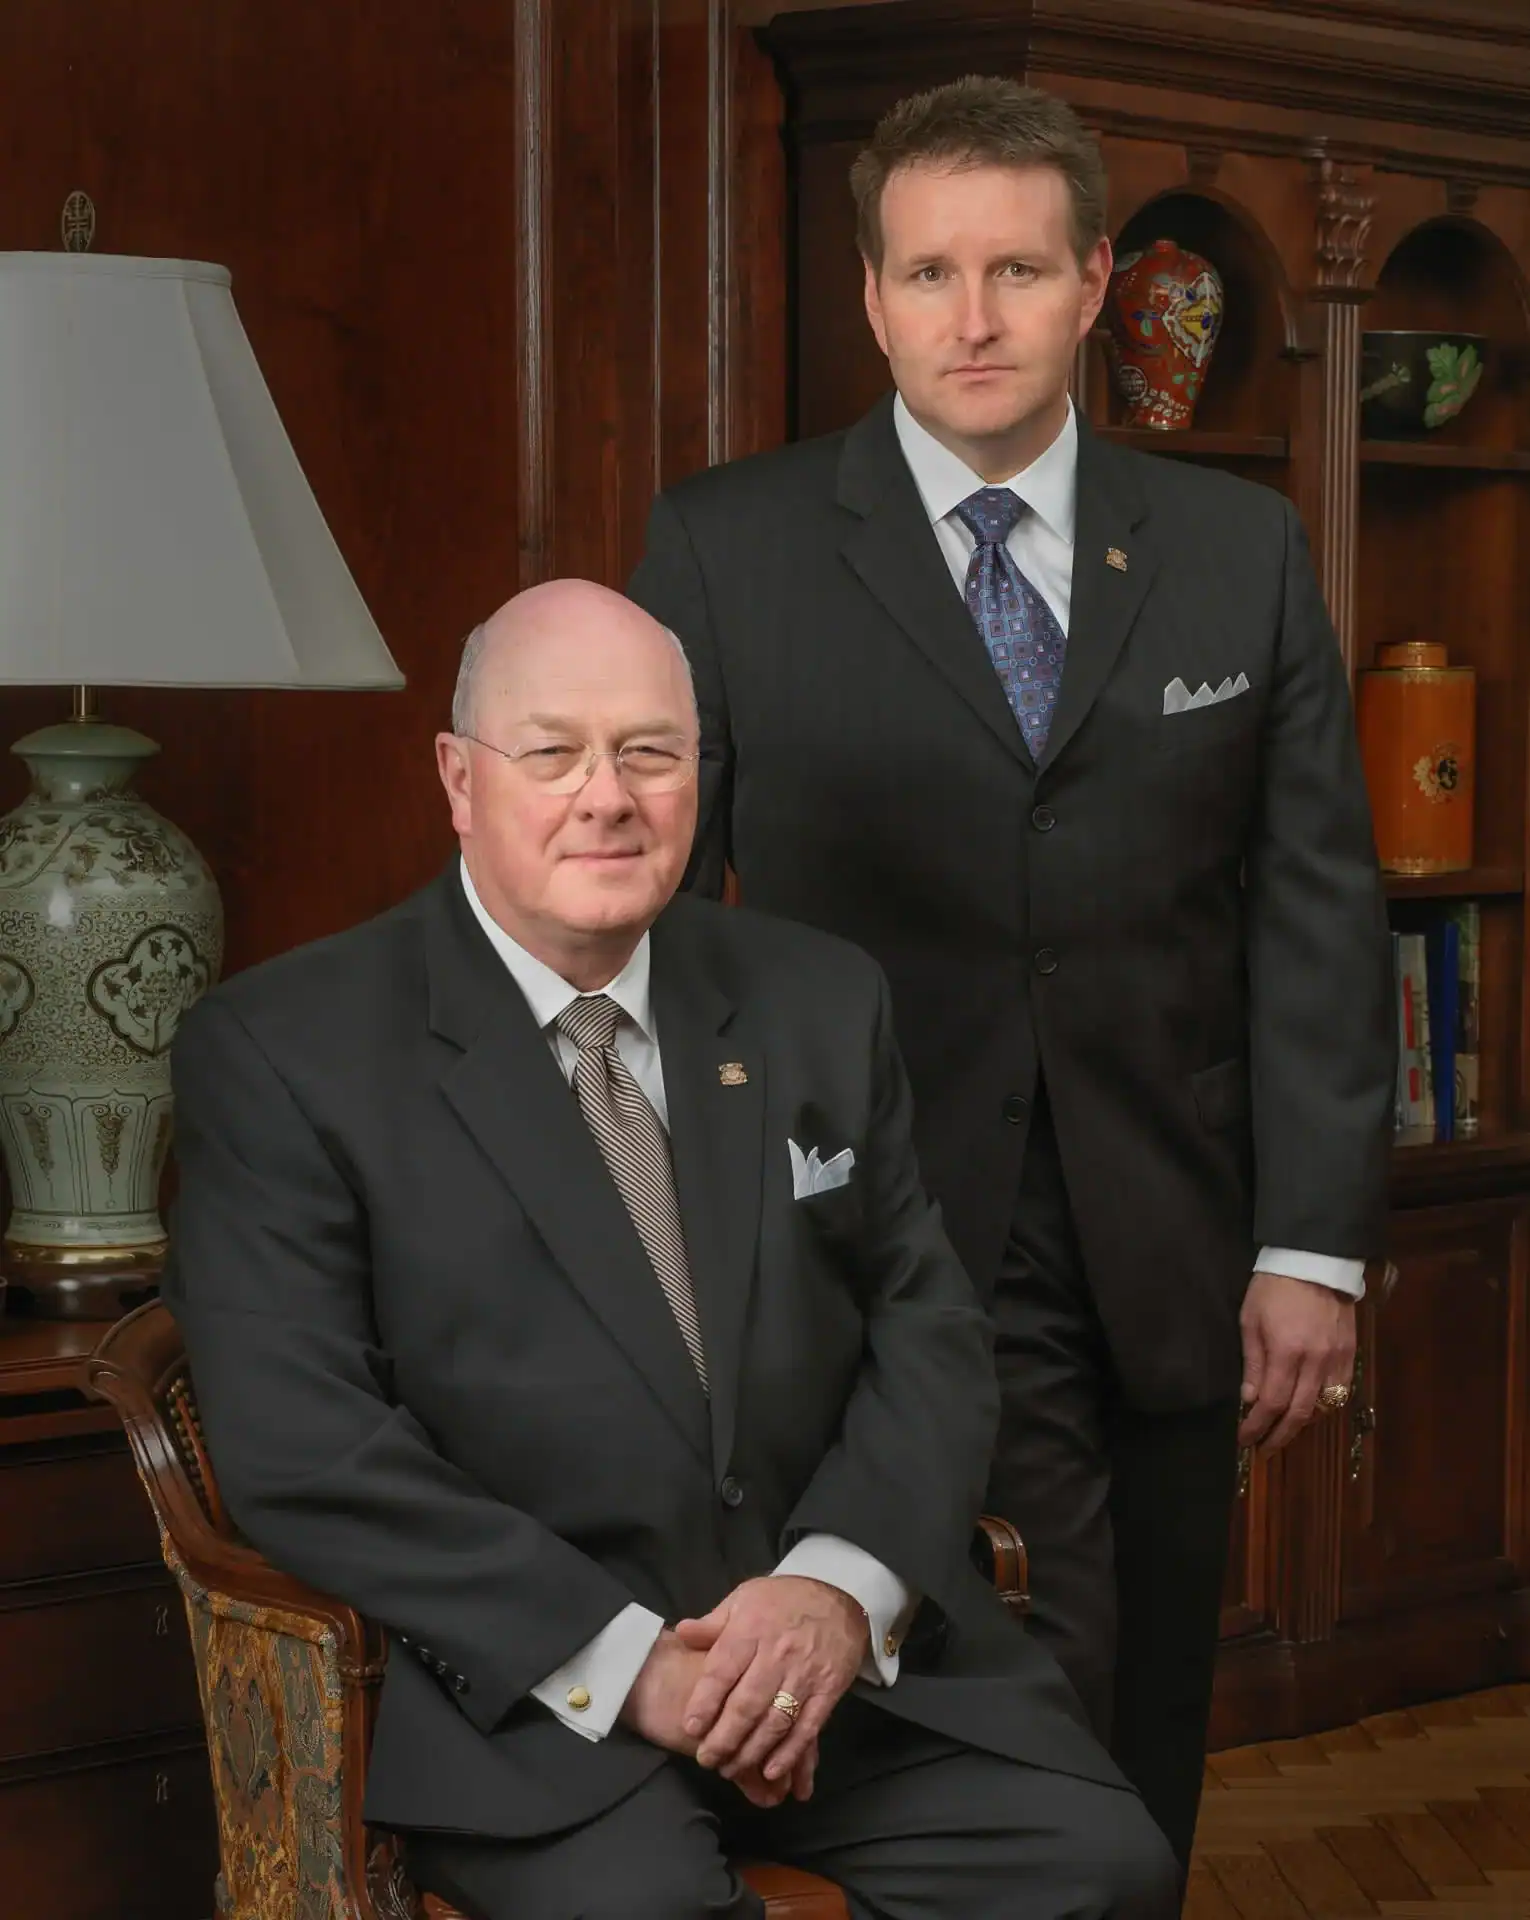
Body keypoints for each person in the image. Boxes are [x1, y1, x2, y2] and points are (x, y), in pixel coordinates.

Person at [629, 77, 1395, 1871]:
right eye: (925, 273)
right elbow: (643, 907)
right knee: (972, 1707)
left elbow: (1312, 906)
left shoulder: (1236, 553)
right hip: (852, 1231)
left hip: (1172, 1235)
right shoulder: (724, 550)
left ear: (1095, 281)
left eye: (1015, 271)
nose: (969, 320)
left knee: (1144, 1718)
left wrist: (1310, 1246)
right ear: (871, 292)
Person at [164, 579, 1175, 1920]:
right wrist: (634, 1666)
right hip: (532, 1700)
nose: (609, 796)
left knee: (1101, 1869)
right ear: (458, 780)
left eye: (651, 751)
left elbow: (924, 1325)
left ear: (701, 775)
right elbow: (304, 1445)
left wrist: (834, 1591)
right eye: (553, 752)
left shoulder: (818, 997)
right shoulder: (285, 1049)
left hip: (834, 1671)